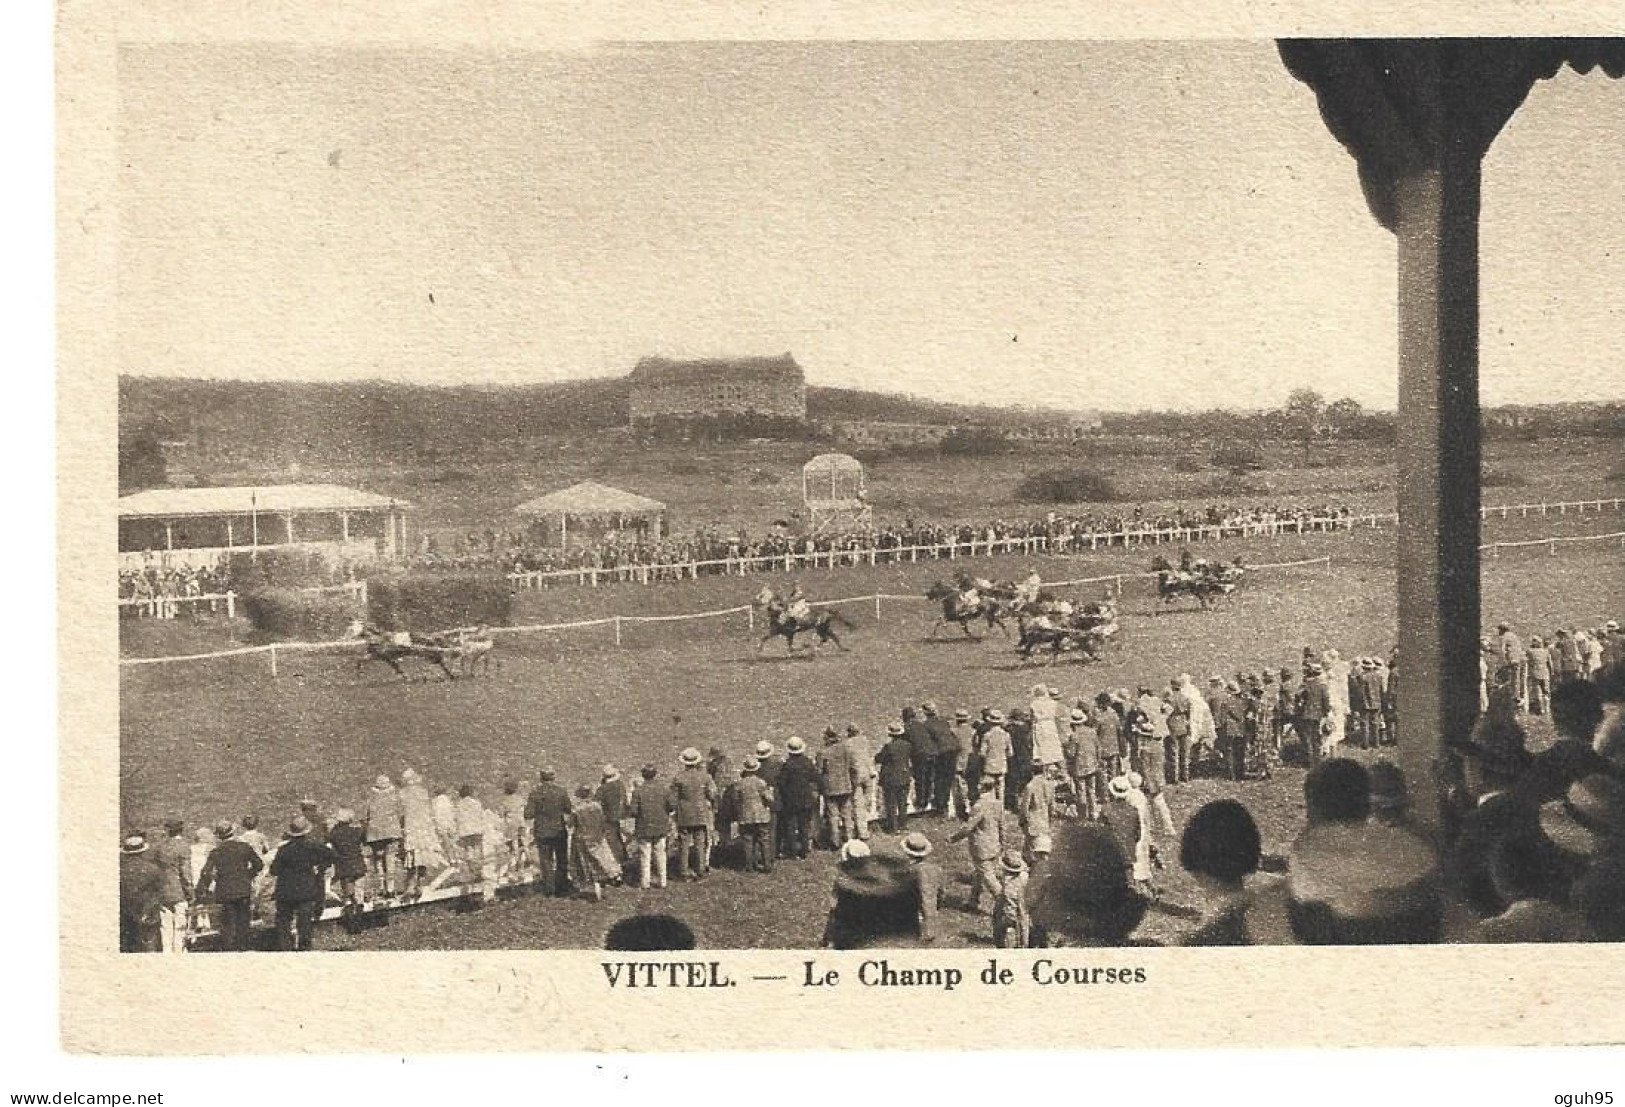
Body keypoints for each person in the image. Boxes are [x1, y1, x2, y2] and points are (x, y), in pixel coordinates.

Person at [268, 816, 334, 952]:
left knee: (283, 921)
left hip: (285, 890)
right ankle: (304, 948)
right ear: (307, 832)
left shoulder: (283, 850)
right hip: (306, 890)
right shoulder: (314, 847)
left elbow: (274, 870)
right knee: (304, 922)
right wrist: (321, 866)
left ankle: (285, 947)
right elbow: (332, 855)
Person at [198, 819, 264, 951]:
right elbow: (259, 864)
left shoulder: (216, 851)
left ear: (219, 836)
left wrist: (206, 886)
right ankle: (243, 946)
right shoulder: (244, 847)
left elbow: (205, 872)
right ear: (232, 832)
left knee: (227, 921)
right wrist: (248, 875)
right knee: (243, 920)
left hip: (224, 890)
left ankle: (228, 948)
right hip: (243, 888)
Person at [950, 780, 1007, 915]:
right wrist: (1002, 843)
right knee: (979, 874)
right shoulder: (998, 803)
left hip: (982, 848)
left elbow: (968, 827)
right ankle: (973, 901)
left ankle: (1005, 904)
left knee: (988, 878)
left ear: (982, 788)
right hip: (994, 845)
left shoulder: (979, 805)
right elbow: (1002, 826)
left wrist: (953, 838)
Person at [671, 747, 717, 880]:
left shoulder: (678, 778)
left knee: (684, 844)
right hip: (700, 812)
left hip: (684, 813)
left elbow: (673, 798)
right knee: (700, 843)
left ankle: (684, 871)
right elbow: (712, 794)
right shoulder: (705, 777)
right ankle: (700, 869)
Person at [525, 768, 573, 897]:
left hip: (542, 831)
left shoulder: (535, 792)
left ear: (541, 778)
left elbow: (528, 814)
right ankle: (562, 886)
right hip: (559, 830)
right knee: (561, 858)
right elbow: (568, 809)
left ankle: (549, 888)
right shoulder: (561, 791)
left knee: (546, 860)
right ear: (553, 777)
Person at [398, 768, 444, 897]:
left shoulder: (402, 793)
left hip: (411, 828)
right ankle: (420, 883)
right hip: (424, 828)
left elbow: (401, 812)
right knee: (423, 856)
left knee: (411, 857)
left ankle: (411, 885)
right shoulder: (423, 792)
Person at [569, 785, 620, 901]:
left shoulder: (577, 809)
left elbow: (570, 823)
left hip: (582, 839)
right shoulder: (597, 806)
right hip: (597, 838)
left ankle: (585, 886)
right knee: (599, 861)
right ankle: (605, 883)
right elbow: (602, 821)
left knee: (583, 863)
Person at [629, 763, 675, 889]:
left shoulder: (638, 791)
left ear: (643, 776)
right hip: (661, 826)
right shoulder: (664, 789)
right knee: (660, 854)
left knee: (645, 855)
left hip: (644, 827)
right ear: (655, 775)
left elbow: (633, 811)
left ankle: (645, 882)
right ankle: (663, 881)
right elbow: (672, 806)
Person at [152, 819, 194, 954]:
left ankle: (167, 953)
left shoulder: (159, 847)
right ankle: (179, 953)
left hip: (162, 891)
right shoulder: (183, 846)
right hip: (179, 892)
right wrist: (191, 892)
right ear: (181, 830)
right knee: (180, 927)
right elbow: (186, 873)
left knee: (165, 927)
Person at [777, 737, 822, 860]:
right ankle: (804, 850)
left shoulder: (787, 765)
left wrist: (785, 793)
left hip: (791, 800)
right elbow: (816, 778)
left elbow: (781, 783)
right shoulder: (808, 762)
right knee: (804, 826)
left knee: (791, 826)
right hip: (806, 799)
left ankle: (792, 852)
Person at [119, 834, 164, 953]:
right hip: (148, 915)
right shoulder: (153, 869)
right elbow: (161, 892)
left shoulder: (120, 871)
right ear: (143, 851)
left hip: (126, 917)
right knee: (151, 948)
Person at [363, 774, 404, 899]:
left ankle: (381, 886)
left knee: (379, 860)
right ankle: (390, 888)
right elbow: (400, 813)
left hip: (375, 834)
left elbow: (366, 816)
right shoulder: (393, 798)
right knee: (390, 860)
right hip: (391, 833)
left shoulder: (372, 799)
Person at [816, 729, 858, 849]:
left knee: (833, 816)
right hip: (845, 785)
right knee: (847, 814)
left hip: (830, 788)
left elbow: (819, 771)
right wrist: (853, 783)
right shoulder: (846, 750)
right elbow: (853, 767)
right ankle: (850, 838)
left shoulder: (822, 752)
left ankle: (835, 842)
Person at [325, 809, 367, 926]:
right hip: (358, 865)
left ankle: (349, 920)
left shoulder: (334, 833)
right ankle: (359, 920)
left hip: (344, 867)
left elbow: (328, 839)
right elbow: (364, 839)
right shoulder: (356, 831)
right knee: (359, 894)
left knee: (348, 894)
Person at [733, 758, 775, 873]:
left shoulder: (739, 784)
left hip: (745, 815)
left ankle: (749, 865)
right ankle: (767, 865)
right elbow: (769, 798)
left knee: (748, 840)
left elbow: (736, 800)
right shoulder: (760, 782)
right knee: (764, 840)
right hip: (761, 815)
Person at [901, 832, 943, 942]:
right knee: (929, 905)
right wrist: (939, 901)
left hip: (915, 901)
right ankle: (930, 930)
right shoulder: (936, 869)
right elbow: (940, 889)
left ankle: (922, 931)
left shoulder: (911, 871)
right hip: (932, 900)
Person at [1018, 764, 1058, 872]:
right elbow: (1052, 806)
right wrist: (1050, 820)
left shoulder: (1030, 786)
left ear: (1032, 772)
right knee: (1043, 852)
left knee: (1031, 853)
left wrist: (1022, 822)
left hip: (1033, 823)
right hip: (1044, 822)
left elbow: (1025, 808)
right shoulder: (1050, 785)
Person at [876, 722, 914, 833]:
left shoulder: (888, 747)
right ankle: (903, 825)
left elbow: (879, 758)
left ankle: (893, 827)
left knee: (891, 804)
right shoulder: (907, 745)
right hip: (904, 776)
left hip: (891, 778)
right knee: (902, 802)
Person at [1066, 707, 1102, 820]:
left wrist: (1066, 749)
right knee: (1091, 790)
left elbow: (1071, 754)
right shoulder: (1092, 732)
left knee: (1081, 791)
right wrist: (1097, 761)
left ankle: (1082, 815)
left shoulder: (1074, 736)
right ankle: (1093, 814)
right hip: (1092, 765)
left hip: (1079, 767)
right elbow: (1098, 748)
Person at [923, 703, 958, 814]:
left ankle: (940, 806)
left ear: (925, 712)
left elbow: (928, 743)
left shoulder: (926, 725)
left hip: (941, 753)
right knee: (948, 779)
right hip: (953, 750)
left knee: (939, 779)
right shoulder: (943, 721)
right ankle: (945, 803)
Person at [844, 724, 876, 841]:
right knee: (867, 801)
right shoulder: (865, 741)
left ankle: (862, 831)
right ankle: (867, 823)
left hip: (856, 775)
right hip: (868, 773)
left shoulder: (847, 744)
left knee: (858, 804)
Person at [594, 767, 629, 877]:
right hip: (620, 816)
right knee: (617, 840)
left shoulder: (602, 789)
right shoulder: (620, 786)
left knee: (610, 842)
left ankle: (615, 868)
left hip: (607, 818)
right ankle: (623, 863)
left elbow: (596, 804)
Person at [1296, 662, 1332, 766]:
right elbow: (1326, 701)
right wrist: (1326, 712)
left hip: (1305, 714)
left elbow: (1298, 697)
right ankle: (1317, 760)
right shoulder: (1322, 686)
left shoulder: (1304, 685)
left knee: (1307, 739)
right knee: (1317, 738)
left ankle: (1309, 760)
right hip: (1318, 715)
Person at [993, 851, 1031, 949]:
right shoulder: (1025, 877)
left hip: (1009, 913)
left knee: (1006, 927)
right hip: (1023, 908)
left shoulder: (1006, 882)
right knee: (1024, 924)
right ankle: (1024, 945)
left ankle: (1003, 944)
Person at [902, 706, 936, 816]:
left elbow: (905, 746)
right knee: (928, 779)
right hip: (931, 753)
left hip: (920, 756)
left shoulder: (907, 728)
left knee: (920, 779)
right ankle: (928, 801)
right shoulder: (921, 725)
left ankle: (921, 804)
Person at [454, 785, 487, 886]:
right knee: (477, 851)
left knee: (469, 851)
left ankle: (472, 871)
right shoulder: (476, 803)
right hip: (476, 830)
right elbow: (481, 816)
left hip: (465, 832)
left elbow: (456, 818)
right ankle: (478, 872)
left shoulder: (458, 805)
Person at [977, 710, 1013, 803]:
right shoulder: (1006, 735)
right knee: (1000, 789)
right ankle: (1000, 810)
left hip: (989, 766)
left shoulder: (987, 735)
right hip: (1001, 765)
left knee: (989, 790)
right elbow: (1010, 753)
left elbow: (982, 753)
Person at [1029, 684, 1065, 770]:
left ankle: (1046, 766)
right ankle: (1056, 763)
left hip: (1040, 725)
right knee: (1053, 745)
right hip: (1050, 725)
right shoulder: (1051, 703)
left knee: (1042, 747)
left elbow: (1032, 717)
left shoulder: (1034, 704)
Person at [1526, 636, 1553, 716]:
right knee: (1546, 692)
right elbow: (1550, 664)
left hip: (1535, 674)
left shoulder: (1530, 651)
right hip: (1545, 673)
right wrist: (1551, 672)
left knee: (1538, 692)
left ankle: (1541, 709)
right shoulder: (1546, 651)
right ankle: (1547, 709)